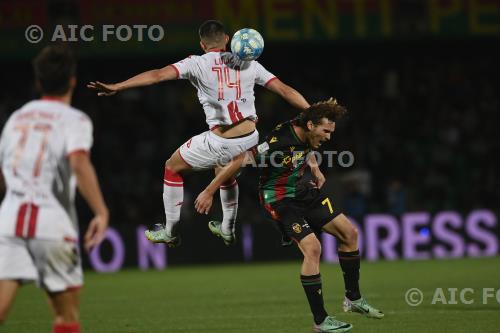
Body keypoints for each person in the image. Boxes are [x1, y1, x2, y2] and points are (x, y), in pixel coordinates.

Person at [87, 20, 309, 247]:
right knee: (224, 171)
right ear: (226, 39)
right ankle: (227, 228)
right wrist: (312, 112)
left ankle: (170, 231)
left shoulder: (196, 63)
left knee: (172, 167)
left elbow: (157, 75)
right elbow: (285, 90)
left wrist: (118, 86)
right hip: (251, 138)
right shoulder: (249, 62)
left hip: (221, 140)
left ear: (202, 45)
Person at [196, 99, 383, 332]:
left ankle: (353, 299)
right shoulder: (277, 142)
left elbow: (307, 147)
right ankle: (321, 321)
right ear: (312, 125)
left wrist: (314, 167)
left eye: (331, 132)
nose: (328, 137)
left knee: (350, 233)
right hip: (279, 199)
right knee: (313, 248)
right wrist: (208, 191)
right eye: (325, 131)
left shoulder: (305, 128)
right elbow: (239, 161)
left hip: (304, 191)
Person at [0, 45, 109, 333]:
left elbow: (3, 174)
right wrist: (101, 211)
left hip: (9, 220)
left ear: (38, 82)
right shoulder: (75, 120)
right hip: (52, 222)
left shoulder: (16, 119)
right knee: (66, 316)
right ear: (72, 80)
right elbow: (79, 162)